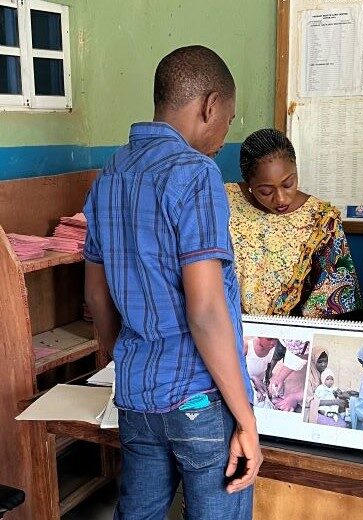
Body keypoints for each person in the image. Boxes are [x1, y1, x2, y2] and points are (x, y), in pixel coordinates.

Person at [83, 46, 262, 520]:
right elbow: (204, 312)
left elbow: (96, 295)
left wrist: (122, 357)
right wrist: (245, 421)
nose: (225, 133)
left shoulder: (109, 175)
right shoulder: (196, 174)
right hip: (199, 398)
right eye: (228, 116)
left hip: (137, 398)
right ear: (210, 105)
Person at [225, 128, 361, 318]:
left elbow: (335, 298)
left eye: (288, 184)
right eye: (266, 191)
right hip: (224, 326)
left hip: (290, 338)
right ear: (248, 182)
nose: (281, 199)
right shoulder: (224, 201)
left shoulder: (321, 220)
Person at [305, 348, 348, 427]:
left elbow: (331, 388)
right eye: (320, 361)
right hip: (310, 410)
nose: (323, 364)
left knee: (343, 422)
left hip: (327, 407)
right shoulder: (309, 377)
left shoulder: (324, 374)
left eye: (325, 361)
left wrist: (338, 394)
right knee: (341, 425)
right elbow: (309, 402)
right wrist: (334, 402)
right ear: (314, 361)